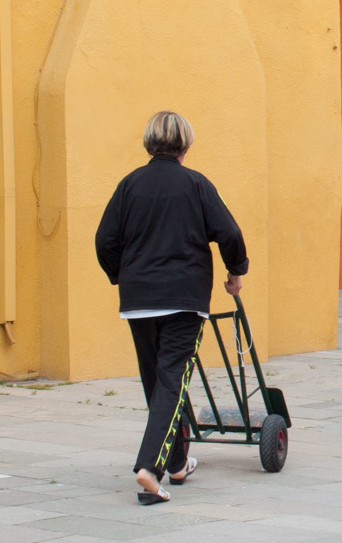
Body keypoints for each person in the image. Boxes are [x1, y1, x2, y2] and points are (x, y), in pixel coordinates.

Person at [95, 111, 247, 505]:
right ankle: (149, 468)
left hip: (138, 300)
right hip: (183, 299)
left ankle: (177, 462)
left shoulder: (129, 185)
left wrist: (123, 275)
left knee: (157, 383)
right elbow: (228, 232)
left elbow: (104, 240)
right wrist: (236, 271)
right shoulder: (195, 184)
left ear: (149, 142)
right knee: (172, 381)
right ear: (186, 144)